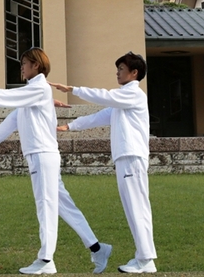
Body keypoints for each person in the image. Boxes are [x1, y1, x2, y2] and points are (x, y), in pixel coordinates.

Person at [0, 47, 110, 274]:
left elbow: (8, 97)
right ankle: (97, 248)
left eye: (24, 63)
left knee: (46, 207)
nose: (21, 67)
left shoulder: (38, 88)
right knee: (63, 206)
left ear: (36, 65)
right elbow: (7, 126)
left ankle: (46, 260)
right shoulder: (30, 94)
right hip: (40, 157)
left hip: (43, 156)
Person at [50, 52, 156, 273]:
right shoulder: (122, 100)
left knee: (137, 207)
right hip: (127, 158)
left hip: (131, 157)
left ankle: (145, 259)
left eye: (121, 69)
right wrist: (71, 126)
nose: (117, 73)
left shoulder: (132, 94)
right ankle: (144, 258)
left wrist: (73, 90)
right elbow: (101, 115)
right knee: (133, 207)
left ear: (134, 73)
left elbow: (104, 97)